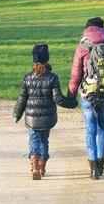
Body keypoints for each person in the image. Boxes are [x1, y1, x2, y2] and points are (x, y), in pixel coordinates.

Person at [67, 17, 104, 180]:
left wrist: (71, 96)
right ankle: (101, 164)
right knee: (103, 128)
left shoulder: (82, 48)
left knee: (90, 129)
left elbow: (76, 74)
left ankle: (93, 169)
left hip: (88, 94)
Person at [14, 44, 78, 180]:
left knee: (34, 139)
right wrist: (72, 103)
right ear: (47, 59)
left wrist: (17, 115)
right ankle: (42, 168)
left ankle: (34, 165)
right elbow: (58, 99)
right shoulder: (52, 77)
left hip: (32, 119)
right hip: (48, 118)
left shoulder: (27, 78)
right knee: (44, 140)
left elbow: (21, 99)